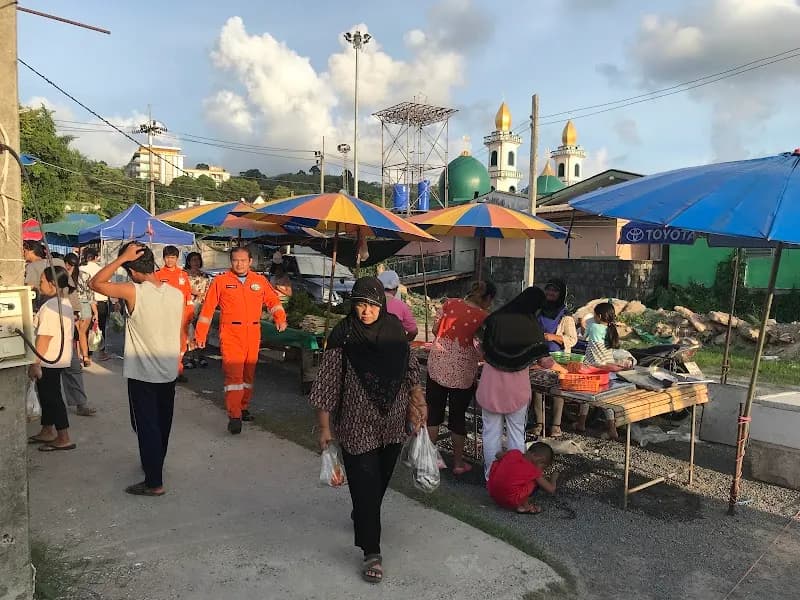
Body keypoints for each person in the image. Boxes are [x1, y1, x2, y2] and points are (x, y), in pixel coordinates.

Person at [309, 277, 426, 584]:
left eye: (372, 305)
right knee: (364, 484)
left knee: (379, 483)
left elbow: (411, 370)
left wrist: (418, 400)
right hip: (356, 424)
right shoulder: (343, 335)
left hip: (393, 423)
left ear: (382, 304)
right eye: (360, 304)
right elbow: (327, 384)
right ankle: (371, 551)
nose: (365, 311)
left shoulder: (394, 332)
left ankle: (363, 513)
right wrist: (325, 428)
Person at [89, 242, 184, 496]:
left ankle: (154, 482)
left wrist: (121, 259)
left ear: (131, 269)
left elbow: (95, 284)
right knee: (162, 423)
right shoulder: (176, 293)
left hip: (143, 373)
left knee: (145, 425)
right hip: (168, 371)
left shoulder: (133, 291)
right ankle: (155, 465)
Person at [194, 246, 288, 435]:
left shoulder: (259, 280)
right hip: (231, 334)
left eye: (243, 260)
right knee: (234, 376)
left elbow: (273, 301)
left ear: (250, 262)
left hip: (253, 333)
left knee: (248, 375)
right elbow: (207, 310)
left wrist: (280, 318)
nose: (240, 264)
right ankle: (234, 415)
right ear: (231, 261)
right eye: (236, 260)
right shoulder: (221, 281)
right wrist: (201, 334)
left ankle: (243, 407)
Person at [476, 287, 550, 480]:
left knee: (490, 433)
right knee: (517, 435)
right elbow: (544, 360)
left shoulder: (494, 319)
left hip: (490, 386)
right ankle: (514, 478)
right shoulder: (533, 326)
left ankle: (491, 477)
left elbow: (478, 345)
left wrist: (491, 357)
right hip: (517, 390)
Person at [426, 281, 496, 475]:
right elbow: (483, 347)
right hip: (463, 372)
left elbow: (434, 330)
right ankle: (457, 464)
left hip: (438, 365)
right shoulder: (484, 317)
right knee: (457, 417)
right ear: (487, 298)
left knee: (433, 413)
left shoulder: (449, 304)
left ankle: (430, 459)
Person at [27, 266, 77, 452]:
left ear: (53, 284)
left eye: (42, 282)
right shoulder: (64, 303)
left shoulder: (50, 307)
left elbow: (44, 338)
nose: (39, 285)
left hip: (48, 358)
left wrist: (35, 363)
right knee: (47, 395)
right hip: (59, 357)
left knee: (52, 397)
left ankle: (63, 436)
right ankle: (47, 430)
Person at [533, 279, 579, 438]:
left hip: (559, 358)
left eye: (555, 291)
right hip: (539, 355)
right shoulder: (539, 311)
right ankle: (539, 423)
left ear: (561, 294)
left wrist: (553, 337)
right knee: (538, 390)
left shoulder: (565, 316)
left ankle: (556, 426)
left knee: (558, 390)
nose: (551, 293)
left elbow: (573, 339)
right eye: (548, 290)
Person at [577, 302, 628, 440]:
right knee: (606, 401)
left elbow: (583, 335)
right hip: (607, 369)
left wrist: (582, 323)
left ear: (599, 316)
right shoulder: (612, 330)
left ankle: (581, 423)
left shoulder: (593, 326)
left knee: (585, 397)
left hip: (591, 368)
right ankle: (612, 429)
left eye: (594, 315)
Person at [155, 246, 194, 381]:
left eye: (172, 257)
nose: (170, 260)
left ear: (177, 259)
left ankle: (178, 370)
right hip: (165, 316)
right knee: (165, 344)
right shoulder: (158, 275)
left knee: (181, 344)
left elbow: (188, 295)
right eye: (167, 257)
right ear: (163, 258)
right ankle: (166, 371)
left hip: (182, 316)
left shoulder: (183, 275)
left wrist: (189, 314)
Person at [487, 442, 558, 514]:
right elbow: (551, 489)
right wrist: (554, 477)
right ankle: (525, 506)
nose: (542, 469)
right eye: (543, 466)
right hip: (509, 501)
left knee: (497, 463)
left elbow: (497, 455)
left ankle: (515, 500)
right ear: (537, 458)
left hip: (493, 494)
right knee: (534, 480)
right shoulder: (533, 470)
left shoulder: (514, 453)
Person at [64, 253, 97, 366]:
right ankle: (86, 357)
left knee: (74, 335)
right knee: (83, 333)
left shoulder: (65, 277)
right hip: (86, 305)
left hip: (72, 305)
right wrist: (95, 312)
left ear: (67, 264)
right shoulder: (86, 275)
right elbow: (90, 295)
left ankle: (76, 358)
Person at [80, 248, 111, 360]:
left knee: (85, 328)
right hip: (101, 301)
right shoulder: (101, 270)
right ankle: (101, 352)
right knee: (100, 328)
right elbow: (108, 286)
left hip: (85, 302)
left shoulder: (80, 269)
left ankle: (86, 353)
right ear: (96, 257)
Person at [184, 251, 210, 368]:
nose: (196, 262)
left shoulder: (204, 276)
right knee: (189, 333)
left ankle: (201, 356)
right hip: (187, 307)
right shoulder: (184, 275)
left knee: (201, 332)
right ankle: (190, 358)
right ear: (189, 262)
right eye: (193, 260)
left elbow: (209, 292)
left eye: (198, 260)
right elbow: (181, 289)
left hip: (202, 307)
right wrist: (193, 292)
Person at [23, 240, 66, 309]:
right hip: (62, 303)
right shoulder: (59, 262)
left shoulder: (31, 267)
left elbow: (29, 288)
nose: (22, 254)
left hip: (43, 304)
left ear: (31, 251)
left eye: (24, 251)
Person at [377, 270, 418, 341]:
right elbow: (413, 331)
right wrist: (404, 341)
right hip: (394, 347)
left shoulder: (370, 303)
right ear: (396, 288)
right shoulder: (401, 306)